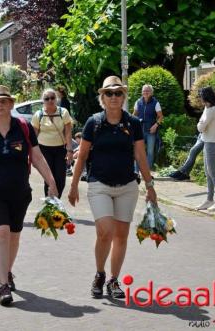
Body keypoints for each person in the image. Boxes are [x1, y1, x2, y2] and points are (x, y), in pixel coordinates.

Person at [0, 85, 58, 306]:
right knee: (0, 234)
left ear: (11, 104)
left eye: (4, 102)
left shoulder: (23, 128)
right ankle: (3, 285)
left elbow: (37, 157)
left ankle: (7, 271)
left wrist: (51, 181)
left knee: (14, 236)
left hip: (19, 192)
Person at [68, 76, 157, 299]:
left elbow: (140, 155)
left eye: (118, 93)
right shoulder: (94, 122)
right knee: (105, 232)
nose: (114, 97)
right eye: (109, 93)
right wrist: (73, 185)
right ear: (103, 98)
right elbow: (83, 156)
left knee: (121, 236)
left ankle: (113, 280)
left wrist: (150, 185)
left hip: (127, 186)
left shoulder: (133, 124)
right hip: (100, 185)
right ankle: (99, 274)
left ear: (124, 97)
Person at [31, 88, 73, 198]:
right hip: (44, 150)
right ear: (43, 101)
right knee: (49, 178)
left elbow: (68, 132)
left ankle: (56, 202)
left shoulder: (63, 112)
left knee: (60, 178)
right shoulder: (38, 115)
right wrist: (32, 153)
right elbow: (33, 136)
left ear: (56, 99)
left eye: (52, 98)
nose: (50, 100)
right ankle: (49, 204)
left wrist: (69, 150)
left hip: (60, 150)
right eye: (47, 98)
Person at [195, 86, 215, 211]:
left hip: (211, 143)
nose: (200, 99)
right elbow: (202, 124)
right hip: (208, 141)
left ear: (205, 97)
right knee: (208, 172)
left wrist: (200, 123)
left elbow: (200, 127)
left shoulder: (211, 110)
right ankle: (209, 200)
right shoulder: (212, 107)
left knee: (212, 172)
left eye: (200, 97)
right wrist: (201, 123)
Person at [133, 84, 163, 169]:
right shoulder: (138, 102)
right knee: (138, 151)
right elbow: (134, 115)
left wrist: (155, 126)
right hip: (139, 130)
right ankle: (136, 172)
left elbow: (160, 117)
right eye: (144, 91)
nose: (145, 92)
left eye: (147, 91)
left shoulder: (155, 103)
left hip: (151, 131)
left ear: (151, 92)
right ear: (142, 92)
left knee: (150, 152)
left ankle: (147, 171)